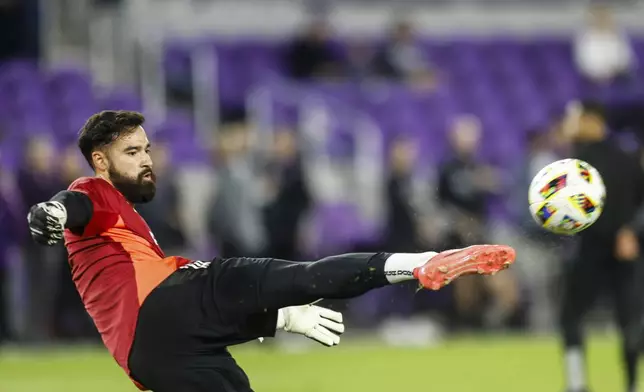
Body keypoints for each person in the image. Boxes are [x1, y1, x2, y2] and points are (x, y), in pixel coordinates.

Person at [27, 110, 516, 392]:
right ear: (99, 160)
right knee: (302, 276)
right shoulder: (94, 191)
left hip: (148, 357)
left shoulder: (117, 220)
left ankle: (396, 272)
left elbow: (181, 323)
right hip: (169, 297)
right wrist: (50, 213)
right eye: (132, 153)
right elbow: (70, 206)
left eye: (147, 149)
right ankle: (421, 263)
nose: (148, 160)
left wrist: (280, 322)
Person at [560, 100, 644, 392]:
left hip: (593, 250)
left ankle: (576, 384)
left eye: (577, 118)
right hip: (624, 251)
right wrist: (631, 231)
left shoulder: (578, 162)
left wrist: (628, 231)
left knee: (572, 315)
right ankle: (632, 385)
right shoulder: (626, 157)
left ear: (592, 120)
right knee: (630, 320)